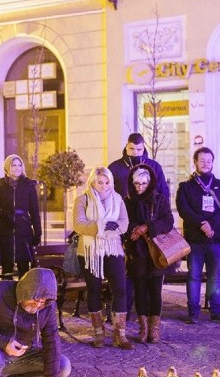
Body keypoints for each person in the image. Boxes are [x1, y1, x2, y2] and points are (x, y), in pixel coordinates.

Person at [108, 133, 170, 324]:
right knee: (127, 277)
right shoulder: (116, 167)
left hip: (152, 237)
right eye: (132, 149)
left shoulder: (154, 166)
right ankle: (124, 313)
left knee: (152, 283)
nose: (135, 153)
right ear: (126, 146)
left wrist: (148, 227)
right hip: (126, 230)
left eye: (139, 149)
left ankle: (152, 324)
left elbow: (164, 198)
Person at [72, 167, 131, 349]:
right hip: (91, 251)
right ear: (92, 182)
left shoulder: (117, 199)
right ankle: (98, 332)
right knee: (94, 289)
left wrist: (117, 227)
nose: (104, 186)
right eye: (100, 182)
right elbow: (78, 224)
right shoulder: (82, 199)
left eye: (107, 182)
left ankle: (120, 333)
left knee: (120, 289)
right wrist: (101, 226)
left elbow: (124, 222)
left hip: (113, 248)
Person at [176, 147, 220, 324]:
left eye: (209, 161)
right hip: (195, 240)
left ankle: (216, 311)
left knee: (215, 277)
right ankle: (193, 312)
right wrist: (201, 224)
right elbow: (183, 209)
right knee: (193, 276)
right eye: (202, 160)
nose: (205, 164)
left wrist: (212, 224)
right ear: (195, 162)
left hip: (216, 239)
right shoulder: (185, 187)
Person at [124, 164, 175, 343]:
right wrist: (134, 230)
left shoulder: (159, 200)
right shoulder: (127, 201)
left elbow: (168, 220)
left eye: (143, 184)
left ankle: (154, 329)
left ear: (150, 182)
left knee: (155, 291)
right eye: (137, 184)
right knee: (139, 291)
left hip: (156, 253)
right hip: (136, 252)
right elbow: (122, 222)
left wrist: (148, 227)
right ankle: (143, 328)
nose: (140, 187)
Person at [0, 154, 41, 278]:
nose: (17, 168)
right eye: (14, 165)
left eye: (19, 165)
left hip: (23, 229)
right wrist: (0, 225)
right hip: (5, 231)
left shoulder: (29, 186)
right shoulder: (1, 187)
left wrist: (38, 232)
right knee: (7, 267)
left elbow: (34, 211)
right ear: (7, 167)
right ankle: (6, 295)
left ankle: (23, 296)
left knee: (24, 268)